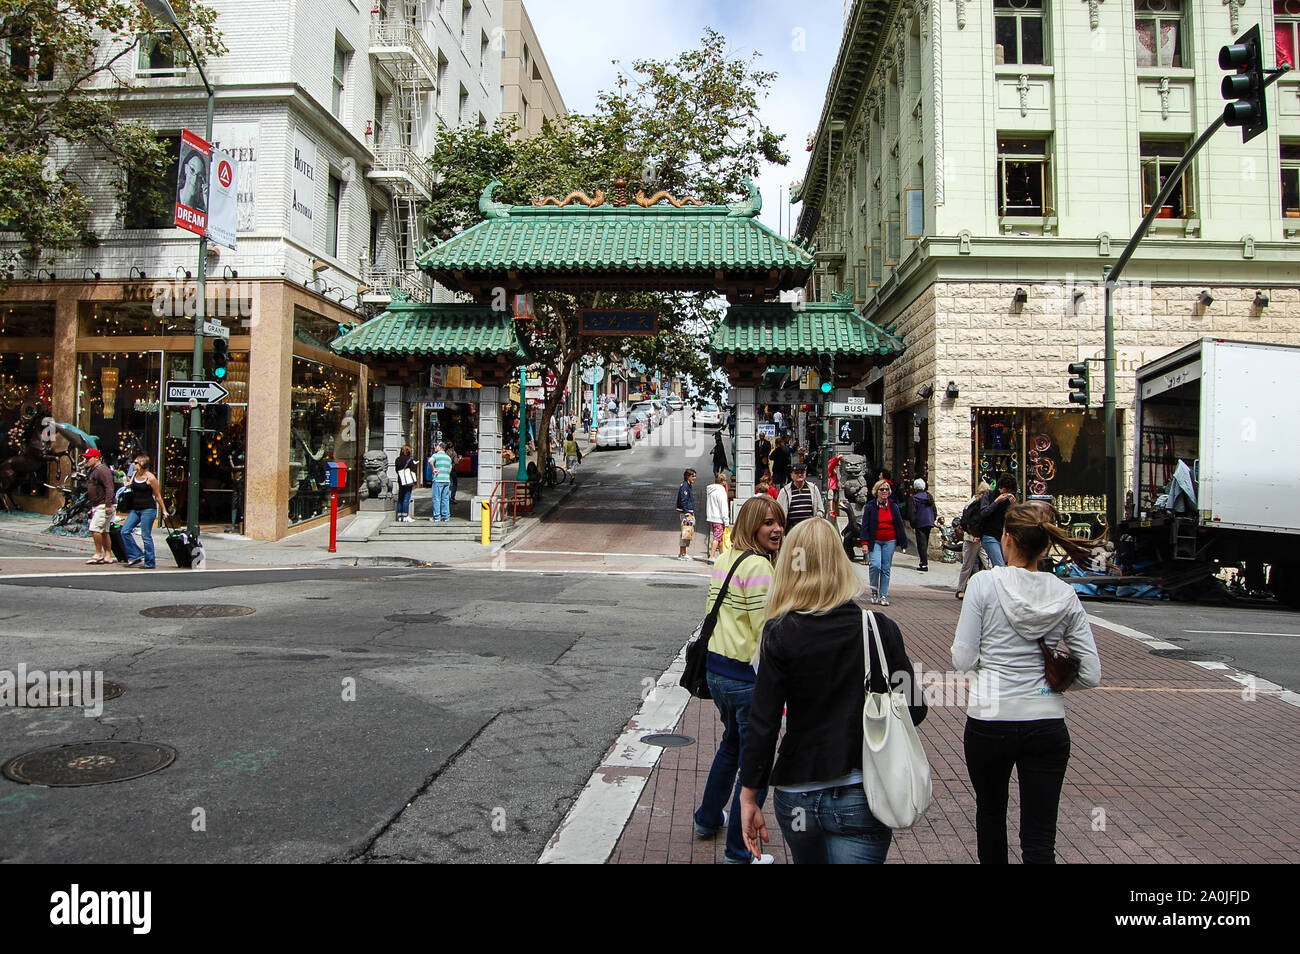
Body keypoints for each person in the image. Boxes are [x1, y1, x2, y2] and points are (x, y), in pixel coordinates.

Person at [739, 518, 927, 864]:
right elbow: (915, 709)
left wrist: (749, 796)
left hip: (798, 795)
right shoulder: (878, 629)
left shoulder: (780, 633)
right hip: (862, 792)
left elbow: (763, 723)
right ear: (841, 562)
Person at [951, 503, 1102, 864]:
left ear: (1006, 538)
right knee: (1039, 838)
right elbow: (1092, 673)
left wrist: (988, 667)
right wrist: (1051, 685)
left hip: (990, 718)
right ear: (1045, 546)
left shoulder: (983, 584)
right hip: (1046, 721)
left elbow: (963, 659)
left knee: (990, 816)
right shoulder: (1064, 595)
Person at [693, 495, 786, 864]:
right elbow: (768, 634)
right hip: (747, 680)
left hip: (717, 673)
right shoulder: (761, 569)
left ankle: (708, 817)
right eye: (767, 523)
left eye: (778, 522)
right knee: (756, 763)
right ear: (752, 527)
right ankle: (738, 849)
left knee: (731, 744)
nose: (777, 529)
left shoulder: (724, 559)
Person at [860, 479, 908, 606]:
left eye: (887, 489)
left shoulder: (893, 506)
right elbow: (865, 526)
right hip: (875, 540)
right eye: (882, 489)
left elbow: (899, 525)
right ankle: (874, 591)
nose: (885, 492)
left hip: (889, 541)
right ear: (877, 491)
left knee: (886, 569)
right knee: (875, 565)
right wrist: (864, 543)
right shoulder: (870, 507)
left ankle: (883, 595)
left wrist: (903, 543)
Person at [119, 454, 168, 569]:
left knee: (146, 536)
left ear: (142, 464)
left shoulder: (150, 478)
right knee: (124, 531)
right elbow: (131, 486)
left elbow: (158, 496)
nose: (134, 465)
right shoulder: (135, 474)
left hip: (148, 509)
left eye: (136, 463)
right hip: (135, 508)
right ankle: (135, 555)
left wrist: (164, 510)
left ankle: (150, 562)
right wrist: (127, 485)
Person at [956, 481, 994, 598]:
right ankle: (960, 589)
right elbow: (968, 522)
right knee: (968, 565)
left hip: (980, 538)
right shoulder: (973, 504)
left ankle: (993, 589)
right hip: (972, 539)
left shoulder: (979, 503)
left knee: (990, 564)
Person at [82, 448, 117, 565]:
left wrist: (108, 505)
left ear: (96, 458)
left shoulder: (102, 470)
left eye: (88, 458)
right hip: (98, 504)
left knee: (95, 528)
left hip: (103, 504)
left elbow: (109, 487)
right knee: (104, 531)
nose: (86, 460)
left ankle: (98, 553)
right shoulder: (93, 470)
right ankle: (108, 555)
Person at [977, 475, 1019, 567]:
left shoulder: (1010, 500)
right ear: (1000, 487)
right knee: (1000, 566)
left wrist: (1014, 506)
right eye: (1006, 490)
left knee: (1007, 565)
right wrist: (996, 502)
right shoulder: (989, 495)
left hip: (1004, 536)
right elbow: (984, 513)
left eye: (1010, 491)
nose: (1007, 493)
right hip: (990, 535)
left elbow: (1015, 518)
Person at [776, 462, 825, 532]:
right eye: (796, 473)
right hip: (792, 530)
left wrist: (816, 519)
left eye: (802, 472)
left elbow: (821, 509)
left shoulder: (813, 488)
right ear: (791, 475)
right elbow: (778, 512)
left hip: (810, 530)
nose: (799, 475)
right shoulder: (784, 491)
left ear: (805, 474)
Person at [909, 478, 937, 571]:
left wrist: (913, 523)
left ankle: (924, 563)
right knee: (925, 542)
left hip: (920, 522)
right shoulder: (929, 496)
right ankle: (923, 561)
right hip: (929, 522)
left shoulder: (915, 498)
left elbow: (912, 512)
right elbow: (934, 510)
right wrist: (933, 519)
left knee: (921, 543)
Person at [705, 471, 730, 564]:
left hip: (711, 516)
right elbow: (723, 506)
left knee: (719, 537)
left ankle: (722, 555)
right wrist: (726, 520)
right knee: (717, 537)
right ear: (722, 481)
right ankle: (712, 556)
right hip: (719, 518)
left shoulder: (711, 490)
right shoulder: (721, 491)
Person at [427, 440, 453, 523]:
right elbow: (450, 469)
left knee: (437, 498)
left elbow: (430, 461)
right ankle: (446, 517)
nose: (434, 447)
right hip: (446, 480)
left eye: (436, 445)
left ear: (440, 447)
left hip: (438, 480)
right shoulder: (448, 458)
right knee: (445, 499)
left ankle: (436, 517)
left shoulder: (436, 455)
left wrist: (433, 469)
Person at [676, 469, 697, 561]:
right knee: (685, 533)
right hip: (687, 513)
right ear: (688, 476)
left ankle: (683, 553)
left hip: (688, 512)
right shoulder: (685, 486)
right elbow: (683, 500)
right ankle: (683, 553)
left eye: (695, 476)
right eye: (692, 476)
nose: (694, 478)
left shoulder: (687, 485)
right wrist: (687, 513)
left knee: (687, 533)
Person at [394, 444, 417, 522]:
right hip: (408, 480)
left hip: (400, 480)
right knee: (406, 498)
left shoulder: (397, 459)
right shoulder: (410, 460)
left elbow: (396, 470)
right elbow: (413, 470)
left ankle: (399, 516)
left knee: (400, 497)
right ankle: (405, 515)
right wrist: (414, 464)